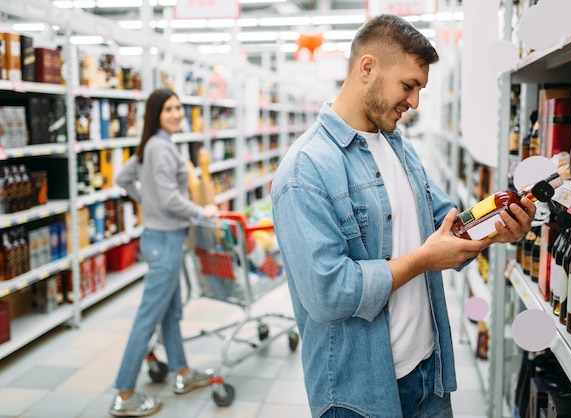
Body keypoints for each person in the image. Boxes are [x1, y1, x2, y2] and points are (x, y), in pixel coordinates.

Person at [270, 14, 536, 418]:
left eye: (420, 89)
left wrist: (494, 228)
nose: (415, 102)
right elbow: (328, 292)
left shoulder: (398, 146)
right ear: (367, 68)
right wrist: (424, 259)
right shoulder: (305, 170)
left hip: (428, 373)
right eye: (408, 86)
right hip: (359, 393)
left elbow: (445, 220)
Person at [110, 88, 218, 417]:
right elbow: (170, 199)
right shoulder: (160, 147)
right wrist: (203, 212)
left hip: (161, 237)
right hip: (165, 241)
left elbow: (123, 177)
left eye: (178, 107)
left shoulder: (154, 144)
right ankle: (124, 393)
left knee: (170, 314)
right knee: (147, 318)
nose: (176, 113)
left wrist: (147, 202)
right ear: (155, 113)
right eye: (168, 108)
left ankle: (182, 373)